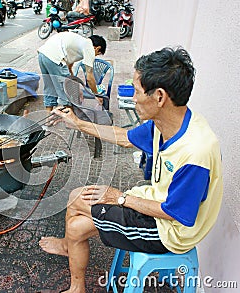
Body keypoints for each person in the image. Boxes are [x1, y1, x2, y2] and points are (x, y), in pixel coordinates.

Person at [39, 47, 223, 293]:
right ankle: (72, 265)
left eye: (137, 92)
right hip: (158, 203)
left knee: (76, 212)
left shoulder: (195, 153)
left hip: (171, 232)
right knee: (76, 213)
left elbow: (177, 215)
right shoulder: (168, 122)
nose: (133, 99)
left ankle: (72, 266)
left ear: (159, 97)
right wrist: (78, 123)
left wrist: (120, 198)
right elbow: (124, 137)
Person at [37, 32, 106, 112]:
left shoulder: (78, 42)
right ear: (97, 48)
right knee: (67, 93)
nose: (95, 56)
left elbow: (69, 68)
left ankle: (48, 117)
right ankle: (71, 122)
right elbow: (89, 78)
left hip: (42, 55)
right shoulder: (89, 47)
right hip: (55, 58)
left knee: (49, 87)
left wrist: (76, 87)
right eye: (97, 54)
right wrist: (97, 95)